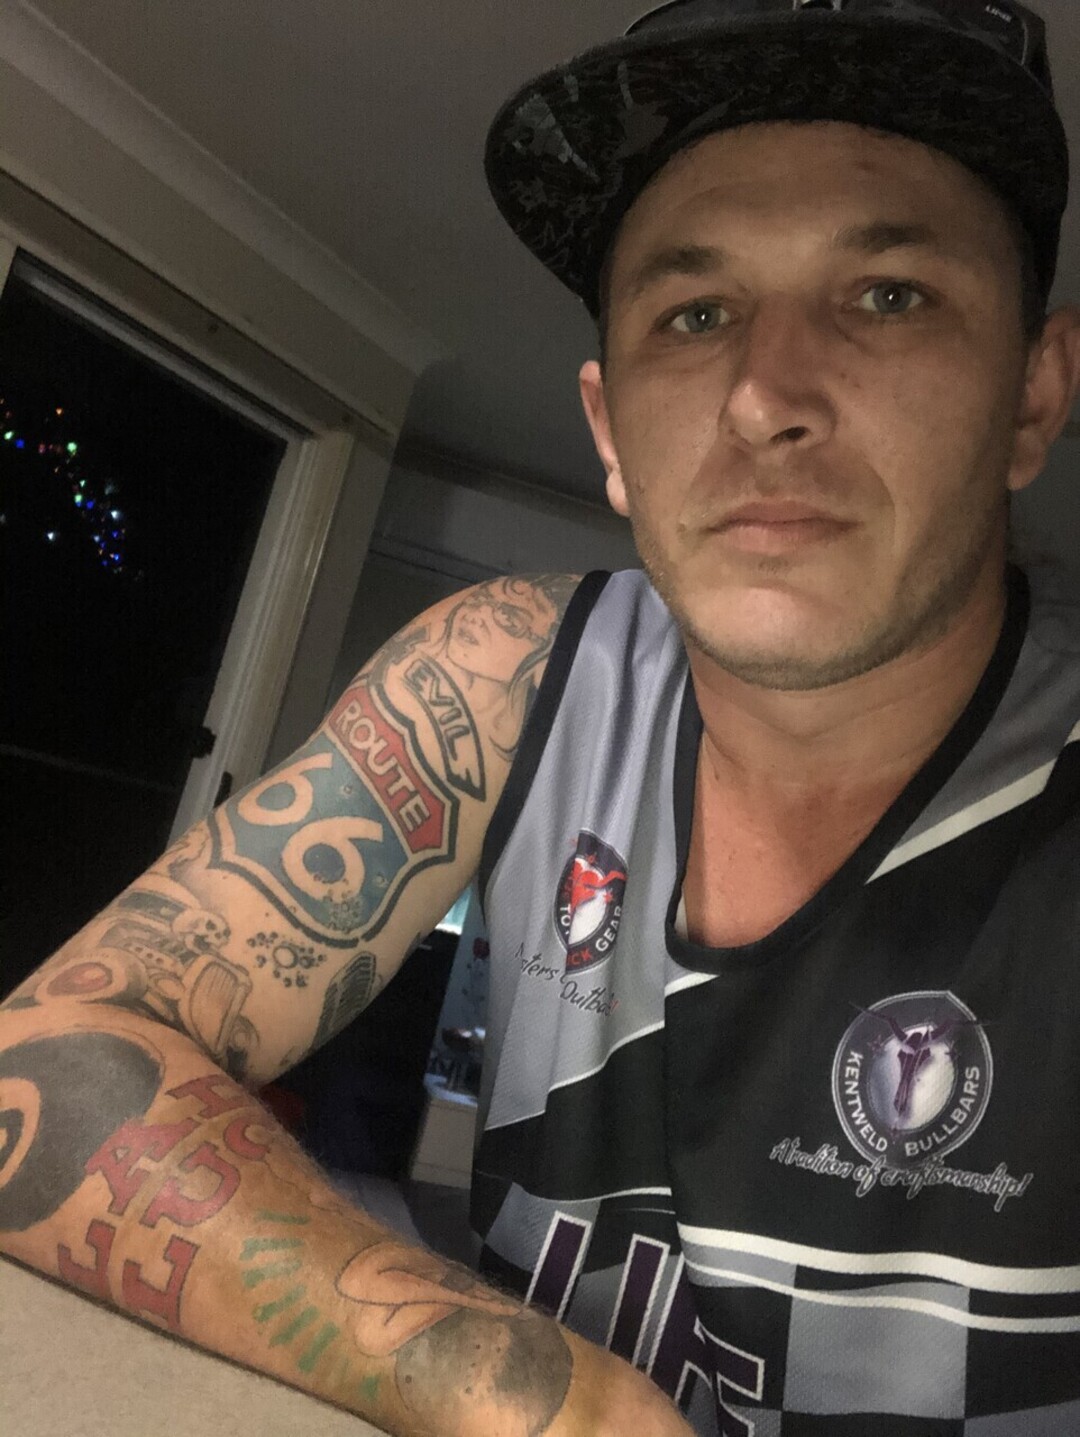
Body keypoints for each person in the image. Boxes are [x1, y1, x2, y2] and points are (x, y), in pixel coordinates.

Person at [2, 0, 1079, 1432]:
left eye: (888, 295)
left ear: (1033, 395)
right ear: (611, 432)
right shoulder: (506, 676)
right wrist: (543, 1398)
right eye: (695, 315)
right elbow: (48, 1057)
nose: (766, 397)